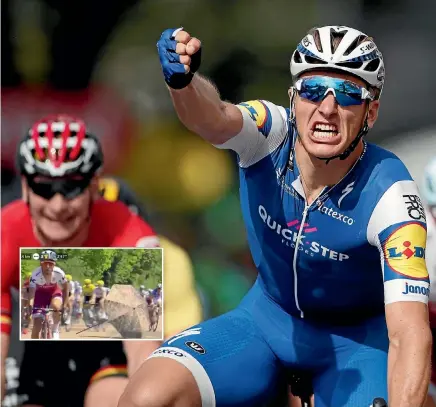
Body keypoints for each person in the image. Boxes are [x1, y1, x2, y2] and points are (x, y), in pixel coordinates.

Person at [118, 26, 431, 407]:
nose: (327, 109)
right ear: (293, 97)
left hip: (355, 345)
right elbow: (213, 117)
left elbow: (409, 333)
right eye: (313, 90)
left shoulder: (392, 193)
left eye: (348, 94)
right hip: (265, 321)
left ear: (372, 111)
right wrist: (182, 82)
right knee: (148, 397)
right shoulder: (270, 131)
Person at [0, 115, 203, 405]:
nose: (58, 206)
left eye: (71, 188)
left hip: (106, 354)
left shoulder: (130, 236)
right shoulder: (5, 232)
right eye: (45, 187)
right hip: (31, 353)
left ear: (94, 185)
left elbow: (142, 354)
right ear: (25, 188)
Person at [28, 250, 69, 339]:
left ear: (54, 264)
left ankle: (55, 329)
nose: (47, 266)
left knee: (56, 306)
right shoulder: (35, 275)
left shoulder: (59, 273)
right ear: (40, 264)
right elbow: (31, 292)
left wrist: (65, 305)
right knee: (36, 327)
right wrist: (30, 304)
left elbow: (66, 288)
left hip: (54, 293)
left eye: (50, 264)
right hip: (40, 296)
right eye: (45, 263)